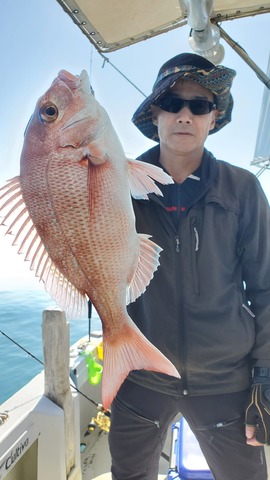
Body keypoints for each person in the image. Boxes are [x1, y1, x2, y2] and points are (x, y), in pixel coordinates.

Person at [108, 52, 270, 480]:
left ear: (213, 118)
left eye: (199, 105)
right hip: (140, 375)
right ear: (155, 114)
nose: (185, 114)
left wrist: (265, 375)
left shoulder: (242, 189)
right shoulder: (117, 185)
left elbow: (267, 287)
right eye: (174, 103)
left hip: (227, 381)